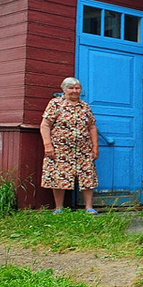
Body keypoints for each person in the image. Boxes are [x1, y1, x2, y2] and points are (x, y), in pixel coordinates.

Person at [40, 77, 100, 214]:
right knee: (59, 175)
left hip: (83, 149)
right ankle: (59, 208)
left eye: (77, 88)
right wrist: (48, 145)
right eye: (71, 88)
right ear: (64, 89)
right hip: (60, 148)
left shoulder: (85, 106)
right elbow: (45, 125)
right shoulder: (55, 104)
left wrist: (95, 146)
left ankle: (89, 207)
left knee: (88, 175)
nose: (74, 91)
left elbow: (92, 127)